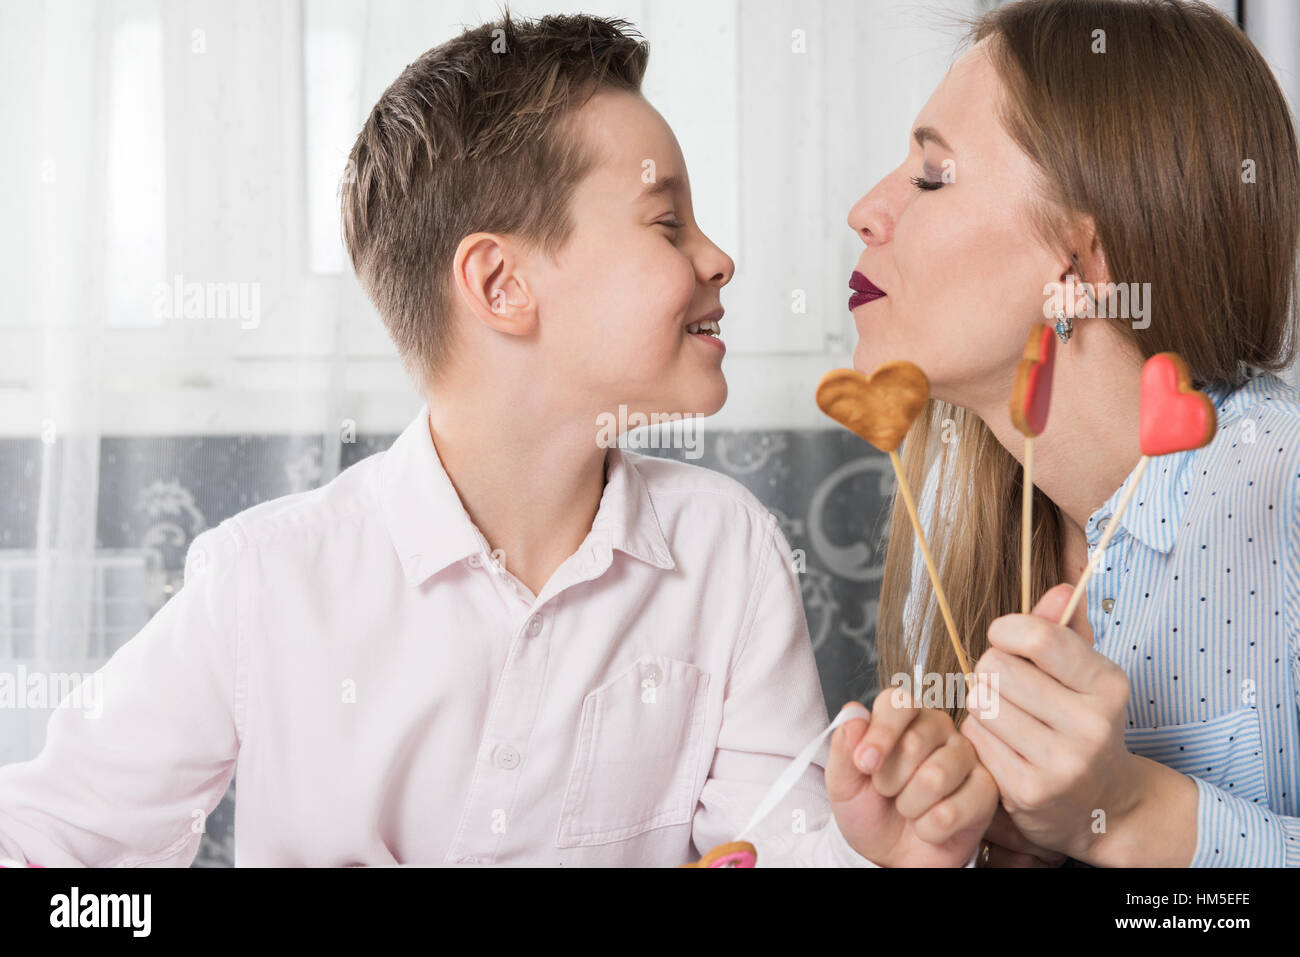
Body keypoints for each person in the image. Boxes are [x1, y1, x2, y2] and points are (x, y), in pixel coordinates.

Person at [0, 11, 994, 868]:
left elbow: (775, 843)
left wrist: (876, 853)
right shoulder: (265, 579)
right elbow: (43, 840)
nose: (719, 257)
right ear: (501, 285)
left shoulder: (727, 551)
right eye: (666, 224)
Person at [847, 0, 1300, 866]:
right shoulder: (952, 513)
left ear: (1082, 264)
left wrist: (1128, 812)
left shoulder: (1284, 491)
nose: (865, 211)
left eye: (932, 176)